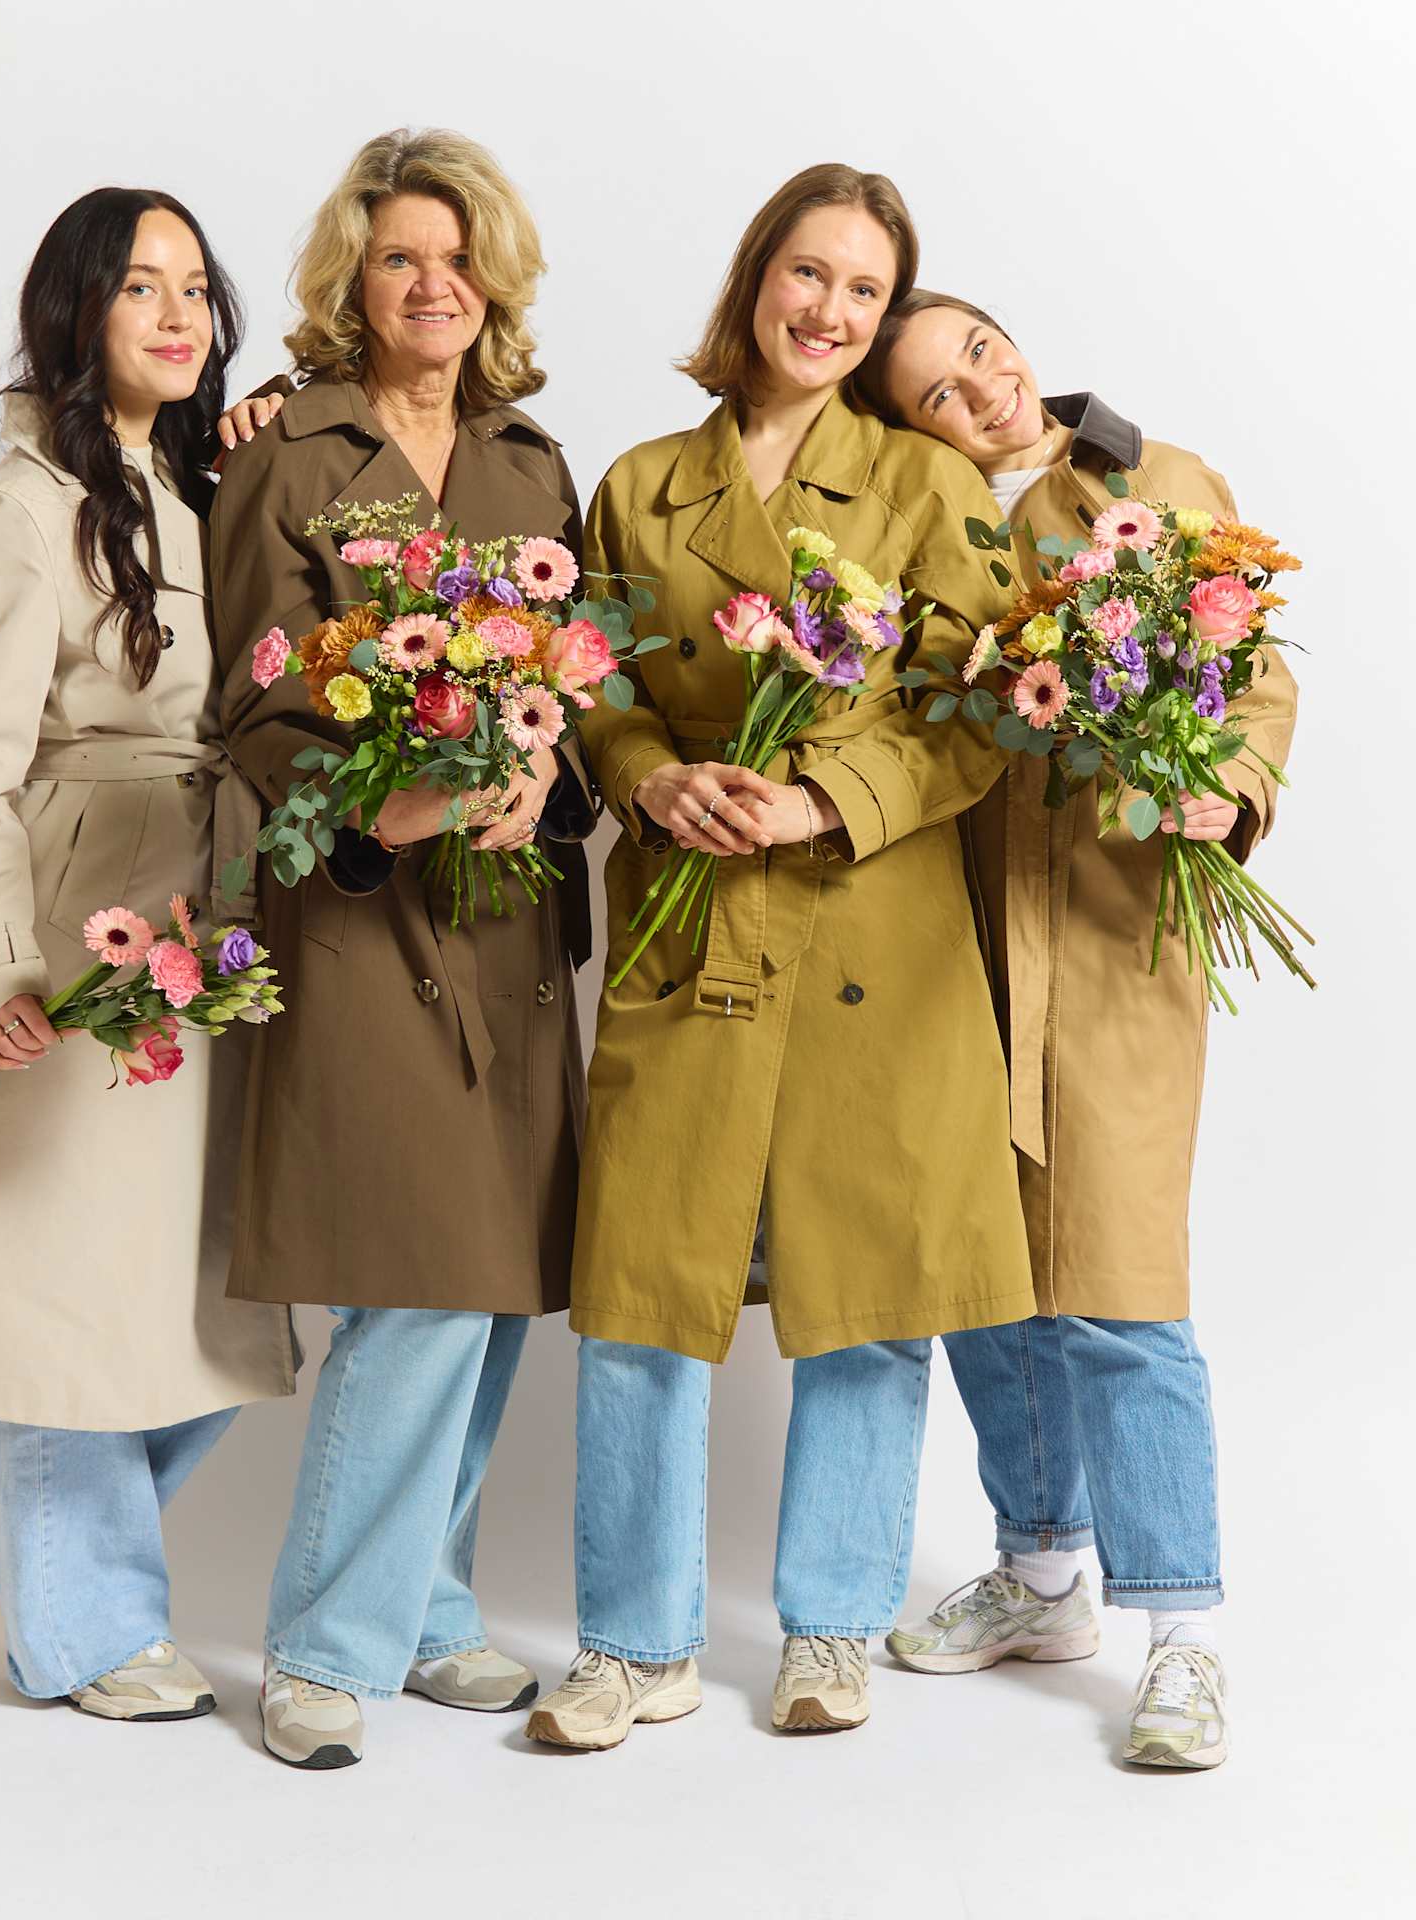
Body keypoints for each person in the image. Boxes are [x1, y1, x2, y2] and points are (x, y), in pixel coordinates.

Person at [523, 165, 1036, 1753]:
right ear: (755, 282)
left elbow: (972, 718)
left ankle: (830, 1631)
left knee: (869, 1295)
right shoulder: (637, 482)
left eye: (864, 294)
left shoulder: (927, 485)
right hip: (693, 919)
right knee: (643, 1290)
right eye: (807, 275)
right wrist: (646, 776)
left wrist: (824, 792)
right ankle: (635, 1645)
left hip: (875, 928)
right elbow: (589, 682)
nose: (828, 312)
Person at [209, 128, 600, 1771]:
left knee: (495, 1283)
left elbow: (585, 691)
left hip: (509, 927)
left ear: (492, 278)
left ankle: (433, 1605)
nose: (431, 284)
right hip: (367, 911)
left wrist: (542, 786)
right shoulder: (282, 449)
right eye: (396, 259)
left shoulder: (533, 461)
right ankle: (326, 1643)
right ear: (351, 285)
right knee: (414, 1288)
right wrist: (396, 811)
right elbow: (246, 699)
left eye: (457, 257)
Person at [871, 291, 1300, 1770]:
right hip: (963, 930)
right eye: (936, 393)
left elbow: (1254, 674)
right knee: (987, 1272)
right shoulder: (919, 520)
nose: (980, 395)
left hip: (1117, 937)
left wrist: (1227, 788)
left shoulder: (1150, 484)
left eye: (981, 354)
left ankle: (1182, 1632)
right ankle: (1042, 1576)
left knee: (1120, 1285)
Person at [0, 188, 297, 1720]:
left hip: (206, 927)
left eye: (198, 285)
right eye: (143, 287)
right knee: (59, 1288)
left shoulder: (194, 485)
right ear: (79, 311)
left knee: (189, 1308)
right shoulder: (19, 510)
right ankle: (91, 1633)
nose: (181, 313)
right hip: (74, 934)